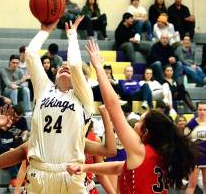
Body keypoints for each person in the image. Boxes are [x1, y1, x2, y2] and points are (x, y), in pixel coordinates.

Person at [0, 17, 117, 193]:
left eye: (68, 67)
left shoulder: (82, 96)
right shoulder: (44, 90)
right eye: (61, 66)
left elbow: (75, 65)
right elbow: (31, 54)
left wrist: (72, 36)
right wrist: (45, 30)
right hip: (38, 174)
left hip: (70, 173)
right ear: (53, 75)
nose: (65, 67)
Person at [67, 39, 197, 193]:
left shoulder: (139, 149)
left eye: (141, 120)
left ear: (146, 132)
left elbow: (113, 106)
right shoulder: (155, 153)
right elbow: (118, 167)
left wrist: (98, 67)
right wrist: (84, 167)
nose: (136, 122)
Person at [0, 105, 28, 187]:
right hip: (0, 155)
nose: (12, 122)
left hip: (10, 152)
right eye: (9, 121)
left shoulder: (11, 133)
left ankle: (24, 177)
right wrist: (10, 149)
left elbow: (16, 143)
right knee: (12, 155)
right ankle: (15, 177)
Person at [184, 102, 206, 194]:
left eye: (204, 110)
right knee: (192, 184)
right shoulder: (191, 124)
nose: (202, 112)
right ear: (197, 110)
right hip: (195, 157)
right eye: (200, 109)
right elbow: (184, 139)